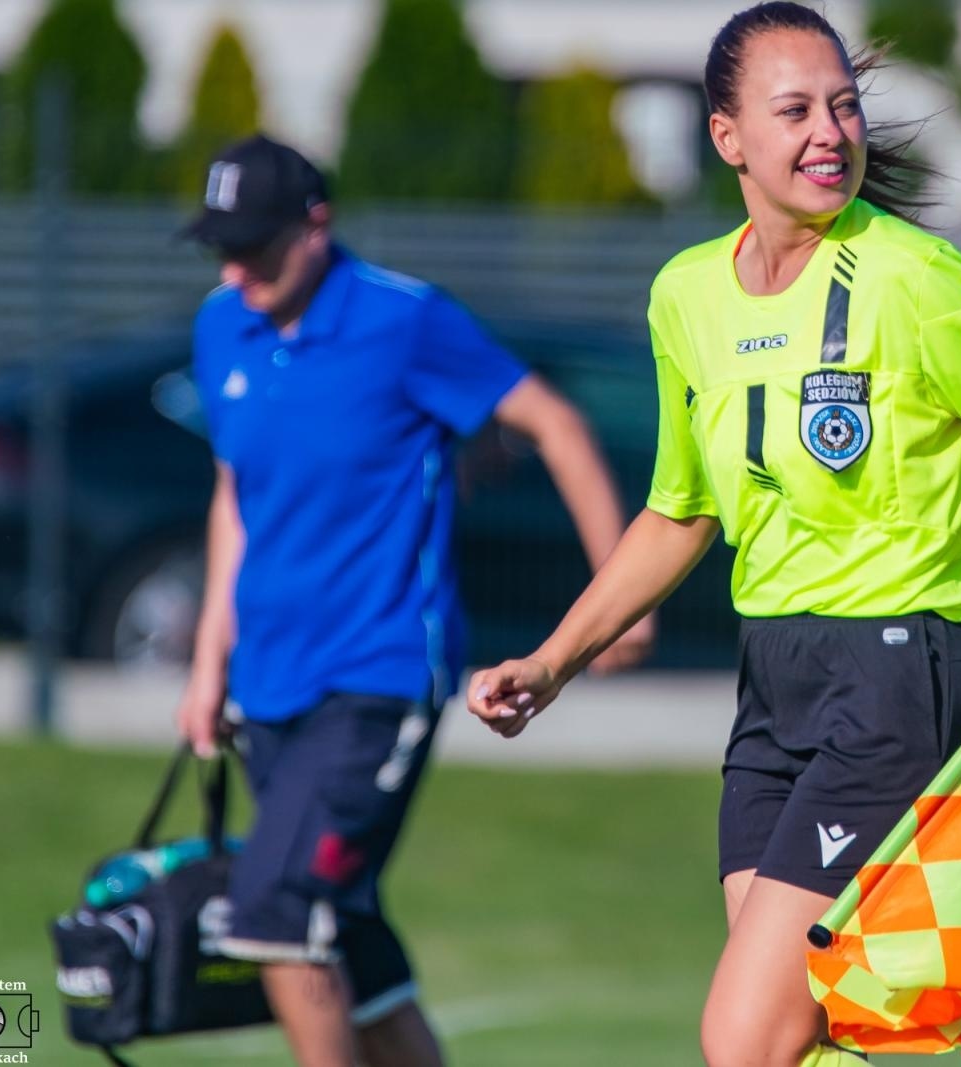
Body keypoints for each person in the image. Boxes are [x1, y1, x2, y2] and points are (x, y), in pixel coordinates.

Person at [465, 4, 961, 1065]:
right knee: (822, 1034)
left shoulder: (914, 277)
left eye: (844, 107)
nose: (830, 132)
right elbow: (682, 511)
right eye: (796, 109)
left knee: (744, 1035)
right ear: (729, 139)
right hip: (773, 685)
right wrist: (551, 660)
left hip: (900, 676)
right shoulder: (686, 296)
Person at [174, 134, 651, 1067]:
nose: (235, 268)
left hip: (378, 672)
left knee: (276, 909)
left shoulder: (405, 319)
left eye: (256, 244)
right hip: (268, 681)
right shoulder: (220, 323)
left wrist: (617, 600)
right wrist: (206, 663)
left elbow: (554, 422)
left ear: (318, 226)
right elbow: (235, 494)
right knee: (351, 943)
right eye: (220, 246)